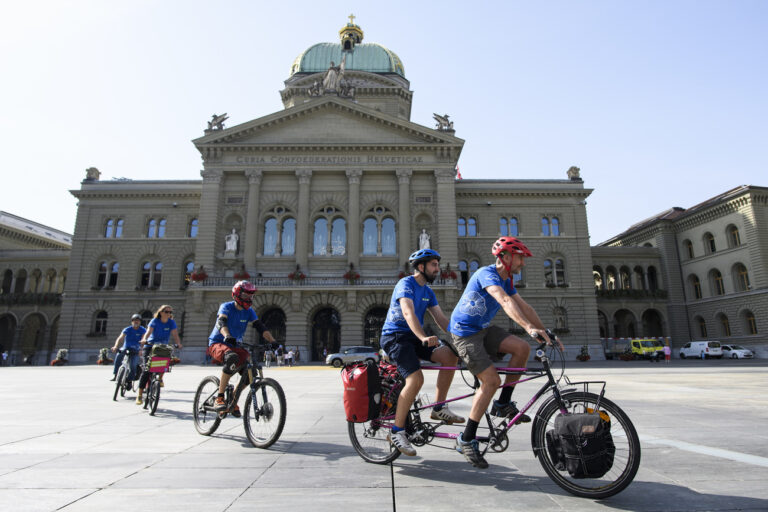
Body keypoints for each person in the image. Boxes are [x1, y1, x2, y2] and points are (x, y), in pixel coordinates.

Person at [448, 237, 561, 468]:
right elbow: (504, 300)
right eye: (520, 258)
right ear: (505, 258)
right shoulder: (486, 274)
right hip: (464, 334)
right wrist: (528, 327)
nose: (523, 264)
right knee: (490, 381)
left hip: (482, 329)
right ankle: (466, 438)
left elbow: (525, 307)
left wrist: (546, 331)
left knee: (522, 348)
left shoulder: (507, 279)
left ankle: (503, 404)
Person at [380, 248, 465, 457]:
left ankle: (438, 408)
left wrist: (464, 339)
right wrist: (423, 337)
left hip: (415, 337)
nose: (438, 269)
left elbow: (442, 320)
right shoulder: (405, 284)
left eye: (437, 265)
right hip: (396, 337)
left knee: (449, 356)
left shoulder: (428, 291)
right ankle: (397, 431)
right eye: (434, 265)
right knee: (415, 379)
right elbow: (408, 312)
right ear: (421, 267)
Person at [208, 281, 276, 415]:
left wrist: (273, 341)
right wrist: (227, 335)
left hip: (236, 346)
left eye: (251, 296)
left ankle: (233, 399)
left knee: (251, 373)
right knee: (231, 358)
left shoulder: (249, 311)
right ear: (237, 295)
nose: (249, 299)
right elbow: (222, 322)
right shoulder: (226, 307)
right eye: (246, 296)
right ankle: (220, 398)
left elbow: (260, 327)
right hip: (218, 343)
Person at [136, 305, 182, 405]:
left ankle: (160, 378)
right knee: (146, 370)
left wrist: (178, 343)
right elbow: (149, 332)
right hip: (150, 346)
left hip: (162, 347)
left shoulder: (171, 322)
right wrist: (144, 339)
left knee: (165, 363)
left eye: (170, 312)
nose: (169, 314)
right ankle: (139, 395)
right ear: (161, 312)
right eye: (166, 312)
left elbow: (175, 334)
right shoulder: (154, 321)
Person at [110, 314, 146, 386]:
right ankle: (116, 374)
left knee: (133, 366)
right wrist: (115, 346)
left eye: (138, 321)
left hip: (136, 349)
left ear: (140, 322)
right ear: (132, 321)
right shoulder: (127, 329)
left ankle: (129, 380)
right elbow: (120, 338)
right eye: (134, 320)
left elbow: (143, 340)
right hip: (126, 348)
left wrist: (141, 350)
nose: (136, 322)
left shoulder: (143, 330)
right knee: (119, 355)